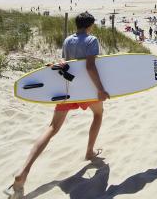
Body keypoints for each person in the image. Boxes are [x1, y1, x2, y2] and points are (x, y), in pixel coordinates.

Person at [6, 12, 110, 198]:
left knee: (52, 128)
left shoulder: (68, 40)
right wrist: (101, 89)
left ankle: (24, 171)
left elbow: (66, 64)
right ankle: (89, 152)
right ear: (91, 25)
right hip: (86, 90)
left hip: (67, 90)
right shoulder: (92, 40)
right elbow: (89, 67)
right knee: (98, 115)